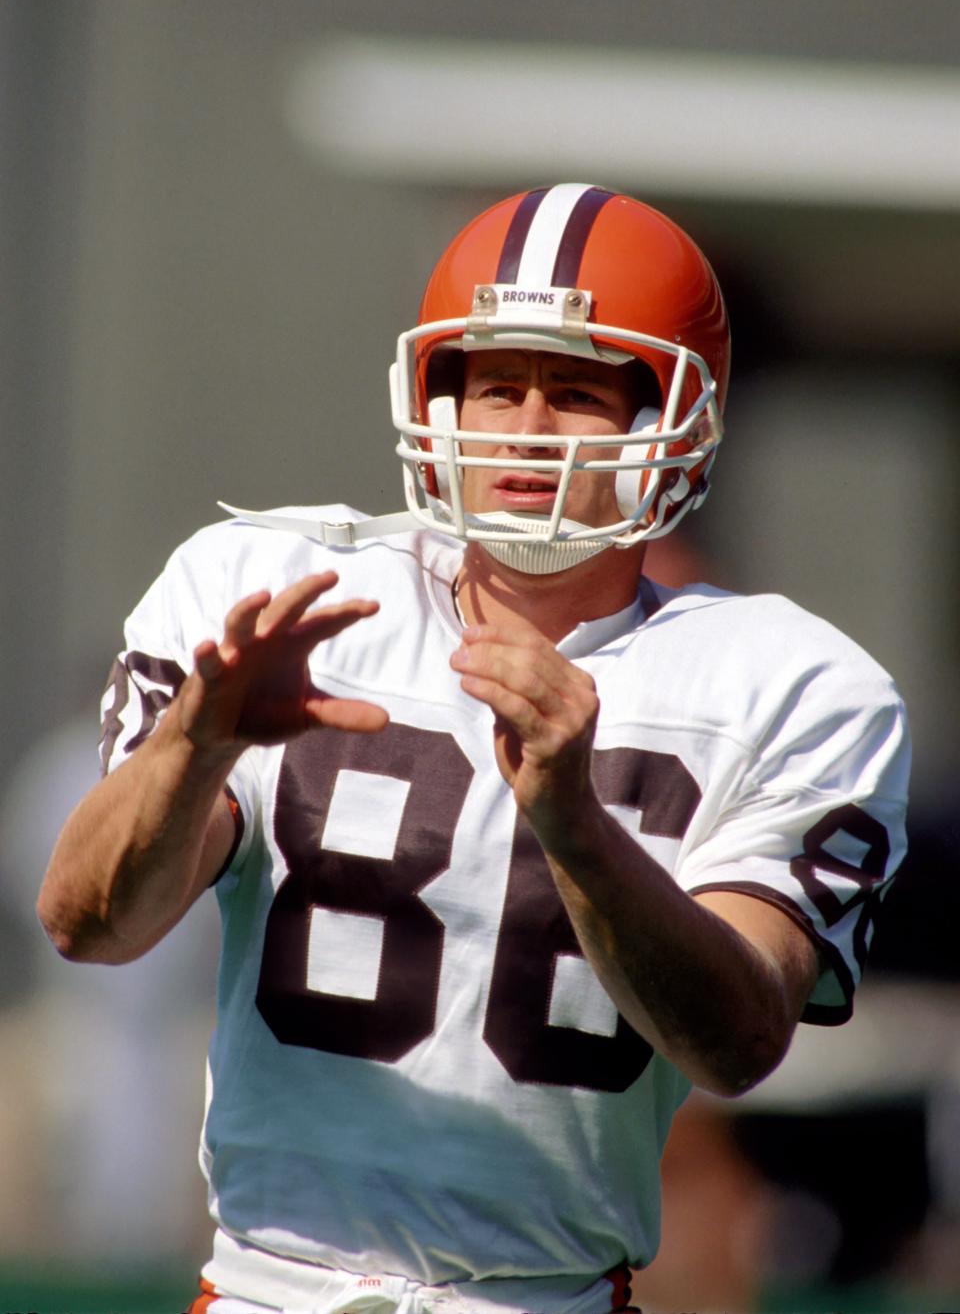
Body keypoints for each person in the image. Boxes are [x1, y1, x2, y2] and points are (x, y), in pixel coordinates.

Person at [37, 183, 910, 1314]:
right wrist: (194, 746)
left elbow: (738, 1038)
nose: (528, 431)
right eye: (497, 385)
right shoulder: (267, 588)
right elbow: (88, 921)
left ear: (670, 421)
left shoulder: (794, 685)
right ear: (436, 399)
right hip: (265, 1288)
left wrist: (579, 829)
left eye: (580, 391)